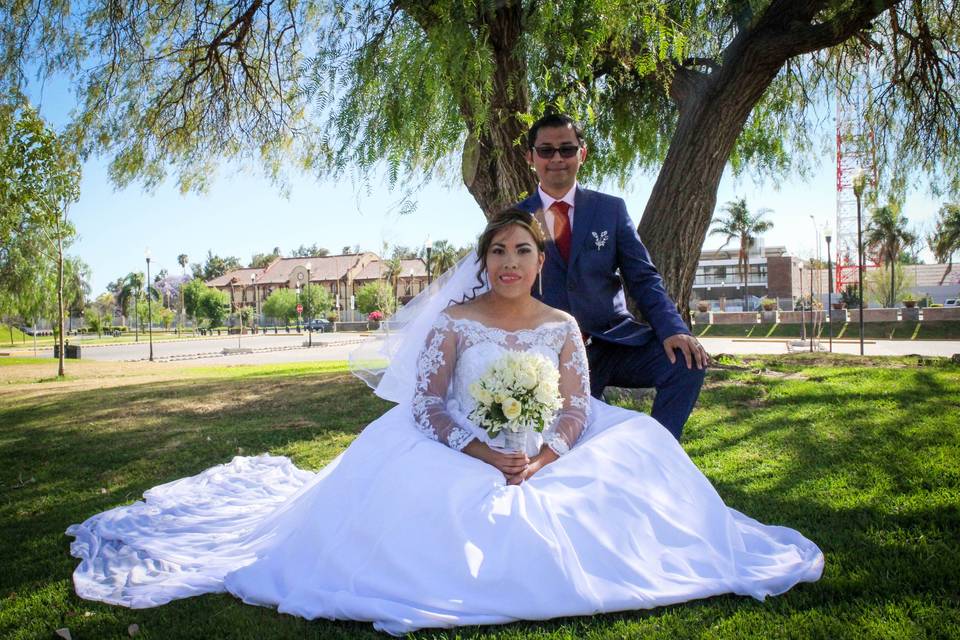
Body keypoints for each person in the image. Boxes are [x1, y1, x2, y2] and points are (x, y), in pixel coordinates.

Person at [67, 210, 823, 636]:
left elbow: (574, 407)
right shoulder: (456, 321)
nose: (511, 262)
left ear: (537, 260)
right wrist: (487, 451)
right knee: (423, 491)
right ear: (484, 259)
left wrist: (546, 456)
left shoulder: (563, 326)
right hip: (461, 440)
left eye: (523, 251)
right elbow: (427, 403)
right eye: (498, 251)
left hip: (547, 451)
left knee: (644, 447)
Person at [517, 113, 707, 440]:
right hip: (549, 355)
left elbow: (643, 278)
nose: (557, 158)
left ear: (582, 153)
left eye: (566, 149)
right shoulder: (516, 219)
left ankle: (656, 454)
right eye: (546, 151)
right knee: (575, 442)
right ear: (530, 157)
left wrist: (674, 329)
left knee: (687, 363)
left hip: (612, 343)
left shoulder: (610, 210)